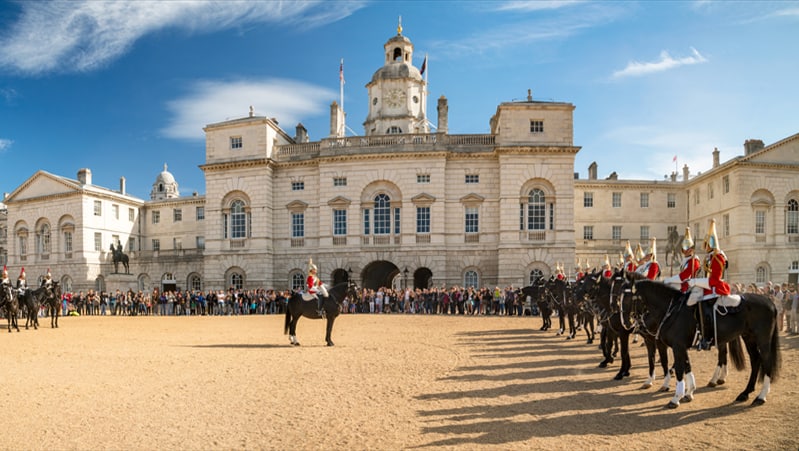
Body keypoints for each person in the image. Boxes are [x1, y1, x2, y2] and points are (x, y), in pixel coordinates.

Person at [687, 218, 733, 350]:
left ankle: (708, 337)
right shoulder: (709, 257)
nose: (705, 246)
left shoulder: (718, 257)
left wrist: (696, 282)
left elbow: (715, 279)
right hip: (709, 286)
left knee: (704, 304)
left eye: (707, 244)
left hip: (716, 287)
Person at [664, 227, 701, 294]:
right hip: (684, 287)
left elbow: (684, 276)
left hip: (691, 289)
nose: (687, 250)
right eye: (685, 248)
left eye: (689, 248)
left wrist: (669, 280)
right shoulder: (686, 260)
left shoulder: (694, 261)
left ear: (692, 249)